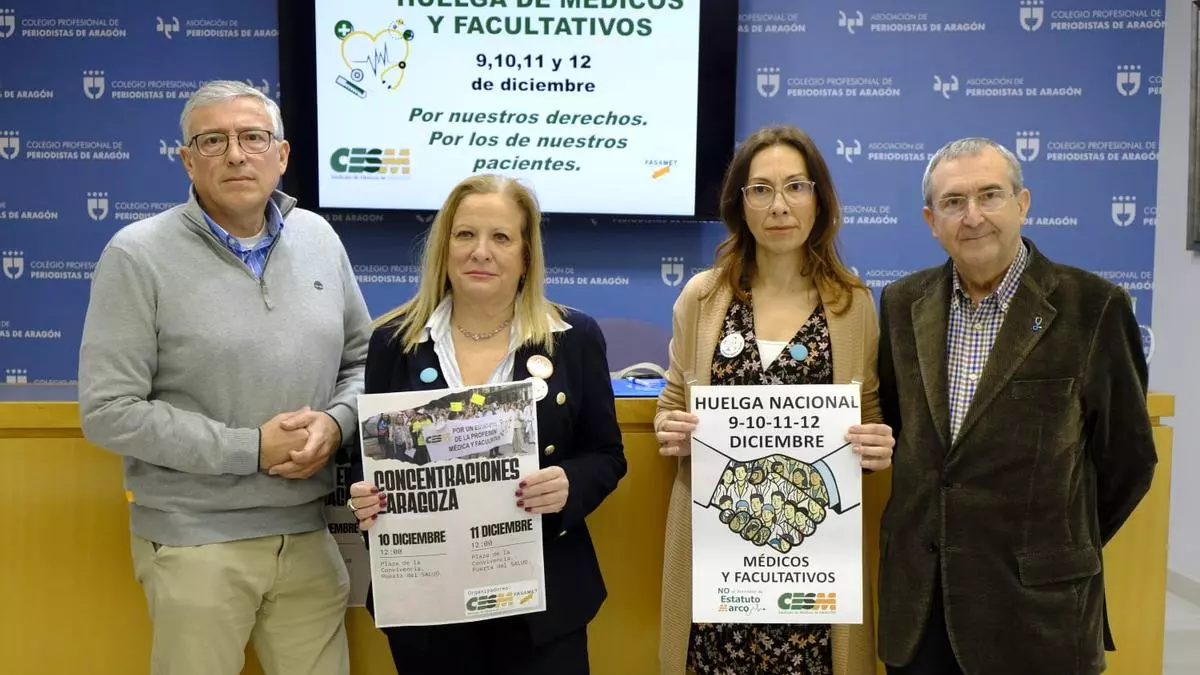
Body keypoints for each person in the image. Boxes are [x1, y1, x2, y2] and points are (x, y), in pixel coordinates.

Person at [77, 80, 371, 675]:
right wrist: (251, 448)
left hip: (310, 535)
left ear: (281, 155)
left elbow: (362, 362)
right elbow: (108, 410)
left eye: (253, 138)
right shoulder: (136, 255)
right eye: (213, 141)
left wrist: (337, 425)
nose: (236, 154)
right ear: (188, 160)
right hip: (195, 543)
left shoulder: (319, 238)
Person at [874, 137, 1158, 675]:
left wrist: (1053, 543)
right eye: (953, 202)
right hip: (921, 611)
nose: (973, 216)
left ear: (1022, 204)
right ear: (931, 220)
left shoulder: (1095, 307)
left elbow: (1129, 460)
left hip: (1038, 615)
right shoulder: (900, 304)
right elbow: (896, 430)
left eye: (990, 195)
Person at [344, 173, 627, 675]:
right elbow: (366, 464)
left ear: (526, 255)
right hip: (427, 607)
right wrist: (363, 498)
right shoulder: (393, 341)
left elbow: (606, 455)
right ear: (445, 247)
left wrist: (570, 483)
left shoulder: (574, 337)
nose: (481, 252)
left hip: (542, 606)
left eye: (501, 237)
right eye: (465, 235)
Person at [653, 124, 896, 675]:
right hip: (720, 565)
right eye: (761, 189)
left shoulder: (852, 304)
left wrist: (877, 447)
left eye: (796, 187)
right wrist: (671, 429)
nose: (779, 205)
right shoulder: (702, 297)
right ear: (740, 204)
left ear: (819, 200)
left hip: (812, 571)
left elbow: (869, 415)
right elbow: (670, 403)